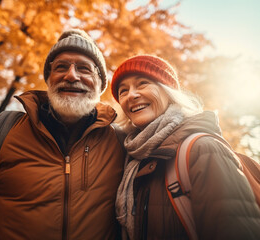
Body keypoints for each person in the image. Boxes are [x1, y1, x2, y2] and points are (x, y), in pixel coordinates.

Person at [0, 29, 125, 240]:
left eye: (84, 68)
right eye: (61, 67)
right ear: (49, 80)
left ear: (100, 84)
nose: (72, 75)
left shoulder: (121, 142)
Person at [110, 55, 260, 240]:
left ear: (168, 92)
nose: (131, 95)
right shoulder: (132, 158)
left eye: (142, 84)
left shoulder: (203, 149)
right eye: (123, 91)